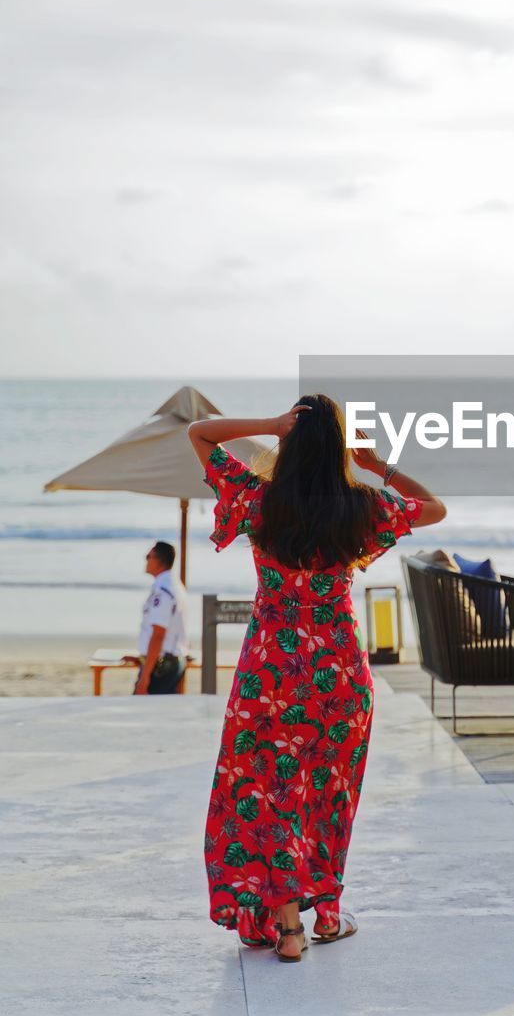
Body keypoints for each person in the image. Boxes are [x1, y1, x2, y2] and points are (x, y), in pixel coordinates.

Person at [188, 395, 446, 961]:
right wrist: (376, 463)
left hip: (270, 673)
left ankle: (286, 926)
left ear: (289, 444)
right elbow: (433, 508)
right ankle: (322, 913)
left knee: (268, 789)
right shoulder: (362, 507)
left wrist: (270, 426)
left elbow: (201, 433)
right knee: (326, 795)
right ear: (338, 451)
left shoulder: (258, 500)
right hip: (339, 677)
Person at [134, 541, 188, 695]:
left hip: (162, 666)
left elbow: (158, 633)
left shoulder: (164, 590)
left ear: (158, 561)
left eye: (148, 556)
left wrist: (145, 677)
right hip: (166, 662)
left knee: (144, 714)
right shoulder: (173, 584)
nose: (146, 560)